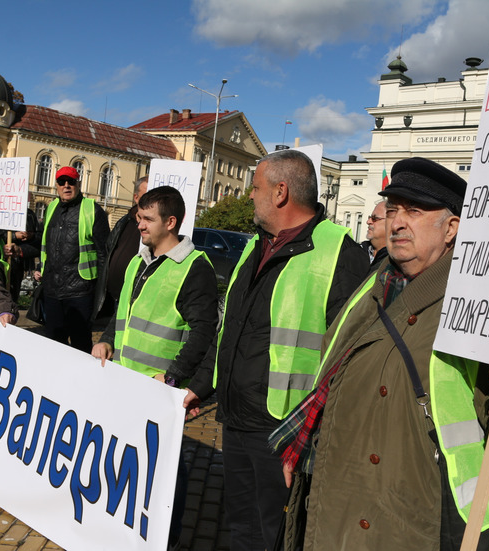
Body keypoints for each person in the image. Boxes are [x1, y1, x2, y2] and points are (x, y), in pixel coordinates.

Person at [270, 157, 489, 551]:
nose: (398, 221)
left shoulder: (478, 300)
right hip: (336, 494)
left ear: (451, 228)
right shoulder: (376, 279)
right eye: (393, 210)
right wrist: (304, 449)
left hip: (414, 518)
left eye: (415, 211)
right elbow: (333, 373)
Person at [184, 148, 369, 551]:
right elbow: (229, 329)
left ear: (281, 192)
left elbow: (350, 360)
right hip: (237, 419)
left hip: (285, 433)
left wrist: (310, 438)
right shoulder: (256, 246)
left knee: (278, 534)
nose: (249, 195)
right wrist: (202, 385)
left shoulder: (340, 254)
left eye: (255, 187)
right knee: (243, 526)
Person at [91, 185, 218, 550]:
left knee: (165, 469)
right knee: (129, 458)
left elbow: (204, 332)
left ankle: (167, 537)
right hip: (126, 381)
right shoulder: (138, 259)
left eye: (147, 218)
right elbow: (124, 311)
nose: (139, 224)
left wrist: (174, 376)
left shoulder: (194, 268)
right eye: (138, 216)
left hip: (160, 390)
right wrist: (106, 338)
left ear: (171, 222)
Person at [34, 166, 111, 352]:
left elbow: (104, 254)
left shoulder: (92, 209)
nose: (66, 186)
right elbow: (45, 244)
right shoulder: (51, 207)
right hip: (53, 290)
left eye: (71, 182)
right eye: (62, 182)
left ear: (78, 184)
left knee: (80, 345)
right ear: (57, 185)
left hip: (80, 292)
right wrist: (35, 264)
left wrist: (101, 291)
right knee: (53, 344)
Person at [95, 176, 148, 323]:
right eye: (147, 195)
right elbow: (108, 249)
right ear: (136, 198)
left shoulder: (155, 228)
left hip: (136, 299)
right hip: (114, 297)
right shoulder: (124, 221)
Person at [360, 199, 389, 269]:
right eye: (369, 217)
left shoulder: (397, 261)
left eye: (374, 218)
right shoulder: (356, 252)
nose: (368, 221)